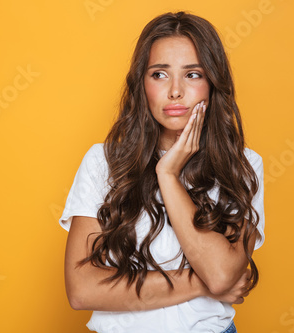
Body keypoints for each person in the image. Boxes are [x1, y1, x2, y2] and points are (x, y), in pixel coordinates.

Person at [59, 10, 265, 333]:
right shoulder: (103, 162)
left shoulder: (243, 166)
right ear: (142, 84)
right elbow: (81, 290)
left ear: (213, 83)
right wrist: (200, 283)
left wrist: (167, 176)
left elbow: (223, 274)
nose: (175, 91)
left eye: (193, 74)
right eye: (159, 74)